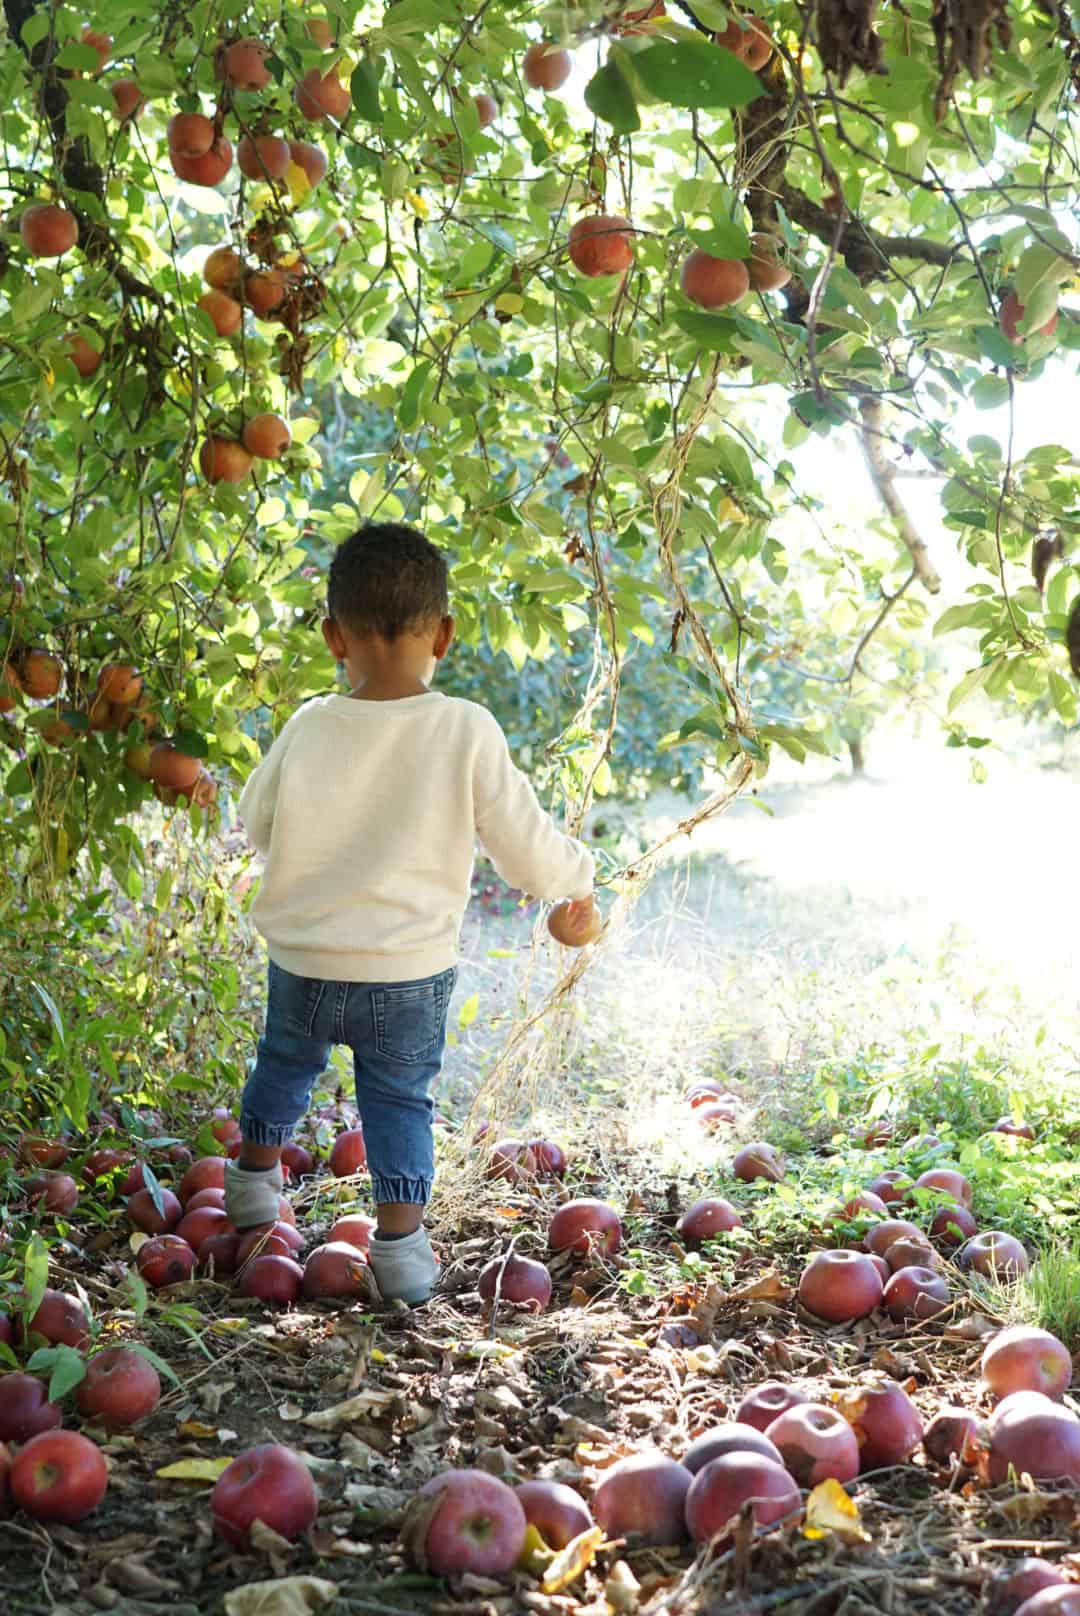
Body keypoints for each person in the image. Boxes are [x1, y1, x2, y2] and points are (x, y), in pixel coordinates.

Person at [224, 522, 598, 1304]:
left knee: (283, 1066)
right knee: (398, 1101)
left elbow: (257, 823)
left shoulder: (309, 725)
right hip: (407, 973)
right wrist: (576, 879)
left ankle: (254, 1186)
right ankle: (400, 1257)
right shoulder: (464, 728)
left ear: (334, 637)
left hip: (306, 960)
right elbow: (523, 846)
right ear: (447, 635)